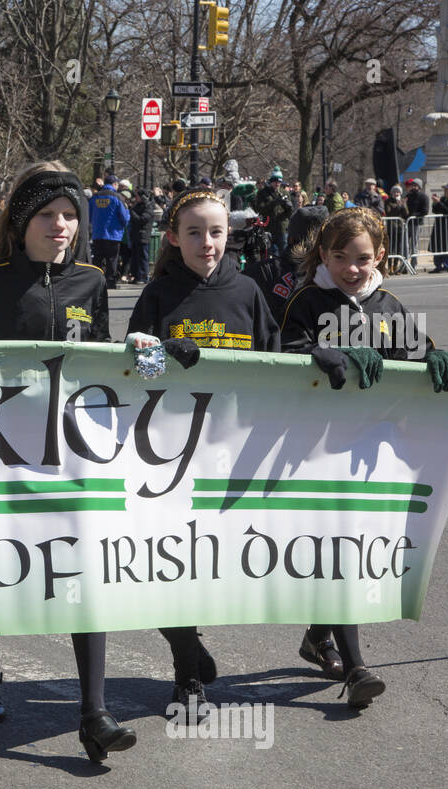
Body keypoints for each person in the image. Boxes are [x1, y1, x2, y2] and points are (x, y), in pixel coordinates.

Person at [0, 160, 136, 764]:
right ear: (21, 224)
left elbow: (101, 360)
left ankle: (93, 711)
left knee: (81, 569)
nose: (61, 226)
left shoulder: (92, 281)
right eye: (48, 216)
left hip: (71, 449)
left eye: (70, 216)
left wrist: (136, 353)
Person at [279, 207, 448, 706]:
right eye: (339, 257)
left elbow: (417, 353)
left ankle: (319, 636)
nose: (351, 268)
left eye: (362, 258)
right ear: (323, 255)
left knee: (354, 551)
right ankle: (356, 667)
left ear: (379, 255)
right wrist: (321, 352)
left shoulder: (391, 305)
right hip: (317, 448)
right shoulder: (308, 300)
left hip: (374, 450)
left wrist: (434, 356)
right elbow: (282, 352)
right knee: (340, 549)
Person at [128, 187, 281, 714]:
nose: (206, 242)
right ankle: (186, 671)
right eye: (193, 232)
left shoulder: (248, 292)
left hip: (233, 450)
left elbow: (277, 364)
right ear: (173, 238)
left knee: (210, 567)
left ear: (228, 236)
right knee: (164, 567)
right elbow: (132, 373)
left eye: (215, 231)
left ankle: (191, 649)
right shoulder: (156, 296)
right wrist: (160, 355)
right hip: (167, 454)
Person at [88, 173, 130, 288]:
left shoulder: (95, 197)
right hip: (113, 235)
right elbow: (125, 218)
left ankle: (96, 283)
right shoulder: (118, 198)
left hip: (97, 234)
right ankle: (110, 282)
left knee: (97, 260)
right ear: (115, 184)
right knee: (112, 260)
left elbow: (89, 216)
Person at [431, 183, 448, 273]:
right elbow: (435, 210)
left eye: (447, 189)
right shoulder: (443, 198)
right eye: (444, 189)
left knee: (446, 245)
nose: (445, 191)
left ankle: (445, 265)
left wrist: (439, 203)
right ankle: (438, 265)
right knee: (438, 245)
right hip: (439, 225)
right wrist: (435, 203)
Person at [404, 178, 431, 271]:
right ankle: (405, 264)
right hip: (408, 223)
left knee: (414, 244)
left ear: (419, 187)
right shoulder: (409, 196)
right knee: (405, 244)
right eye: (412, 185)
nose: (413, 187)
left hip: (417, 223)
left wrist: (413, 215)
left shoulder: (423, 197)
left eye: (415, 185)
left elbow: (425, 211)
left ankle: (413, 264)